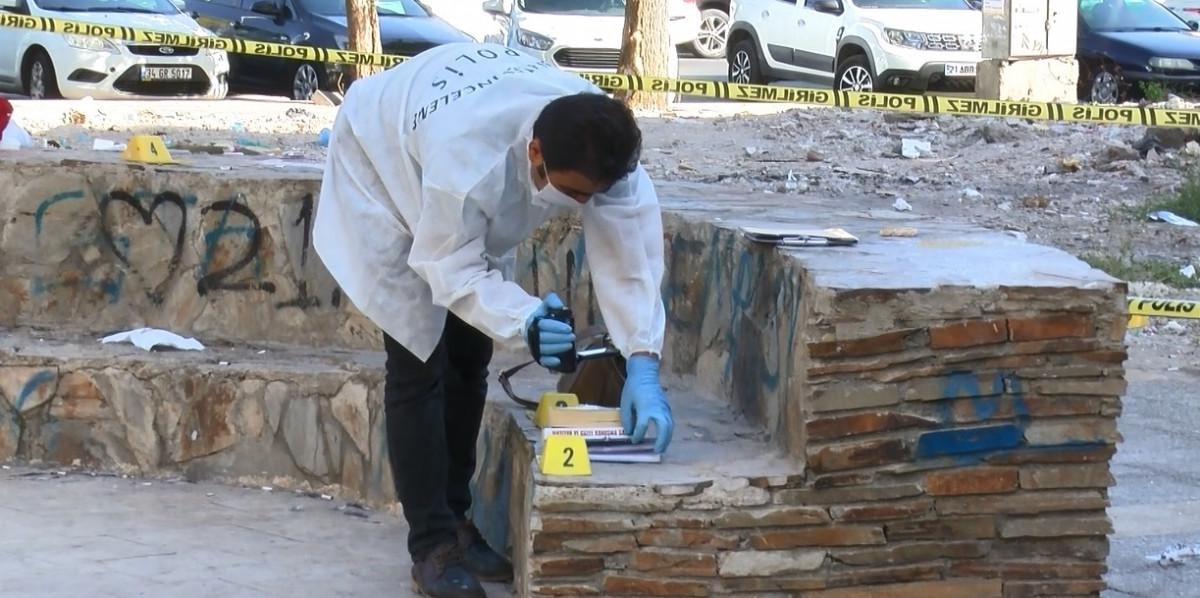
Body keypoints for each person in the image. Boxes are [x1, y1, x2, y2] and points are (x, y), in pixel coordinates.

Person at [312, 42, 675, 598]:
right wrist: (524, 319)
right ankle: (431, 545)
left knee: (469, 355)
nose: (582, 206)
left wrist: (643, 359)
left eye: (592, 196)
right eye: (573, 193)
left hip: (447, 142)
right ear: (536, 153)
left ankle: (456, 518)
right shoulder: (464, 164)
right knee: (419, 358)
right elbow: (450, 267)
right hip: (379, 160)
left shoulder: (602, 143)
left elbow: (632, 252)